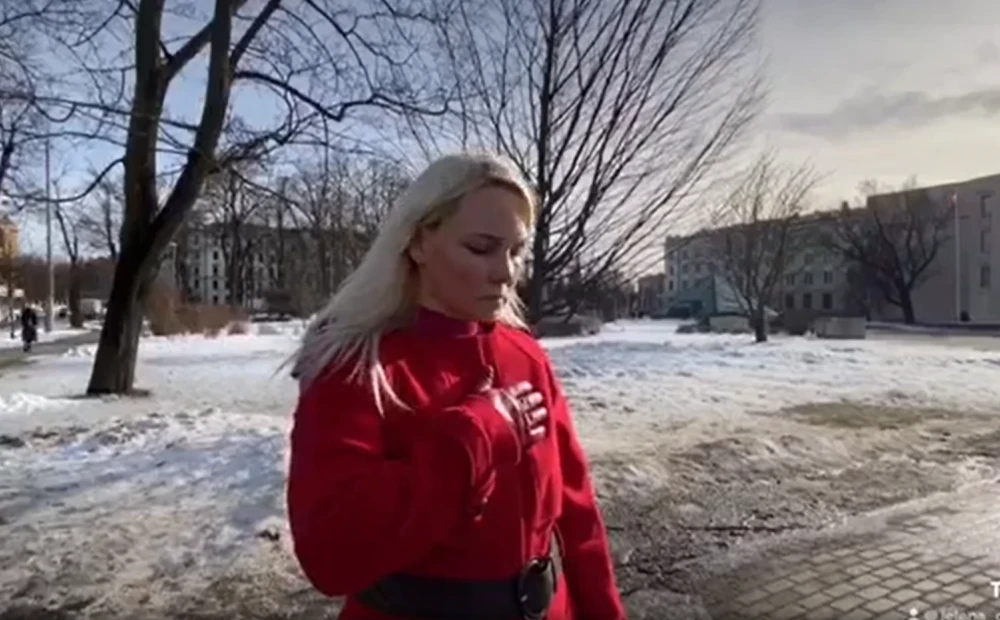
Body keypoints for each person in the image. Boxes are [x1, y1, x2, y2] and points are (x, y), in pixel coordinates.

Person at [286, 152, 626, 620]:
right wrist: (473, 440)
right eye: (481, 248)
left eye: (516, 251)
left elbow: (579, 516)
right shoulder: (356, 367)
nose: (506, 273)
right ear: (418, 242)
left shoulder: (527, 357)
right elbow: (330, 554)